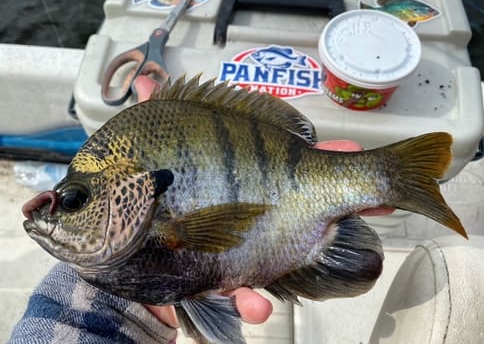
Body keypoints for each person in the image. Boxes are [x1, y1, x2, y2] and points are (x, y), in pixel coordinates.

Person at [9, 76, 391, 343]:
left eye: (77, 199)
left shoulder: (160, 230)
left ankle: (395, 176)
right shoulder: (118, 248)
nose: (53, 212)